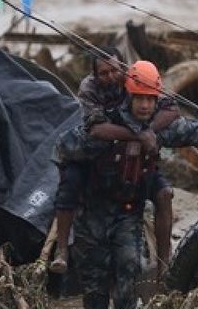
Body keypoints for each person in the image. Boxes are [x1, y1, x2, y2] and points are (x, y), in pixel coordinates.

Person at [70, 60, 198, 309]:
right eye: (139, 98)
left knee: (130, 266)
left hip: (127, 211)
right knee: (94, 293)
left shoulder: (157, 128)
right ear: (128, 94)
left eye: (150, 99)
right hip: (92, 212)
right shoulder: (106, 121)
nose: (145, 105)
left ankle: (142, 298)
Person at [49, 48, 179, 275]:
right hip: (93, 152)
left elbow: (172, 108)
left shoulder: (136, 78)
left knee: (163, 193)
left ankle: (164, 262)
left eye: (114, 70)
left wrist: (148, 130)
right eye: (104, 73)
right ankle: (61, 250)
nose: (110, 77)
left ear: (124, 68)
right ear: (95, 75)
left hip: (129, 153)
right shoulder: (88, 89)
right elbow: (98, 129)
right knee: (69, 184)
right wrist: (138, 134)